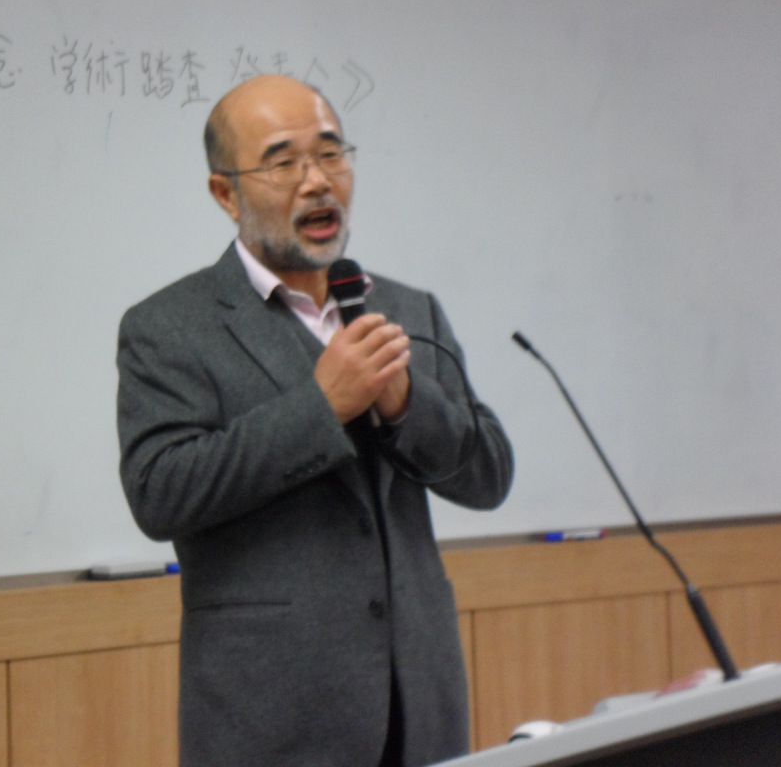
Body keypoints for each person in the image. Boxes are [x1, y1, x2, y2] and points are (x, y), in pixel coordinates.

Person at [116, 74, 513, 767]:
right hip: (271, 712)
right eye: (283, 162)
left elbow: (487, 476)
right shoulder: (169, 326)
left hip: (418, 699)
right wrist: (320, 407)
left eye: (331, 153)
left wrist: (404, 403)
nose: (317, 181)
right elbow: (161, 491)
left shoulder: (406, 308)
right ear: (225, 193)